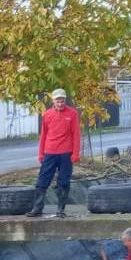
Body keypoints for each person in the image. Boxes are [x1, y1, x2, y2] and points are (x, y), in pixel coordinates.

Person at [26, 89, 81, 218]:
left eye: (62, 100)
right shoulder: (47, 114)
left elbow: (76, 135)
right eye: (57, 100)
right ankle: (37, 208)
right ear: (53, 101)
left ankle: (60, 209)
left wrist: (75, 153)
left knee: (64, 182)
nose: (60, 103)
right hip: (49, 153)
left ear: (65, 100)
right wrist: (41, 153)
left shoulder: (72, 113)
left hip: (66, 154)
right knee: (42, 181)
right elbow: (43, 135)